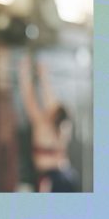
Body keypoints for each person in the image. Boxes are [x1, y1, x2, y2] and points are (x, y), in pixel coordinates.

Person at [18, 56, 78, 192]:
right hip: (62, 174)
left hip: (53, 177)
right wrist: (43, 75)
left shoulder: (46, 126)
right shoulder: (62, 125)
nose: (49, 106)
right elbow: (49, 101)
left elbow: (29, 99)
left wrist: (24, 72)